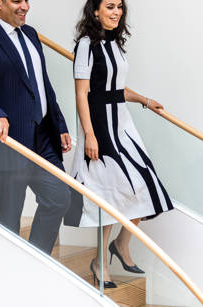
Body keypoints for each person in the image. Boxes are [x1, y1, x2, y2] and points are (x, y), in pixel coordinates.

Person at [63, 0, 174, 288]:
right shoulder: (86, 45)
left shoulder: (115, 43)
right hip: (101, 128)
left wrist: (145, 101)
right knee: (111, 195)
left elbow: (117, 89)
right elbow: (82, 94)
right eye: (110, 6)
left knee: (147, 186)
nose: (116, 12)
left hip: (123, 126)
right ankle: (101, 262)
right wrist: (89, 134)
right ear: (95, 10)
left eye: (119, 7)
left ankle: (121, 244)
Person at [0, 0, 72, 255]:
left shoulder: (31, 35)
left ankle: (35, 259)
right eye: (16, 1)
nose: (25, 6)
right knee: (10, 216)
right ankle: (11, 272)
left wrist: (60, 124)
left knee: (59, 198)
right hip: (9, 143)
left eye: (26, 0)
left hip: (44, 137)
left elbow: (43, 85)